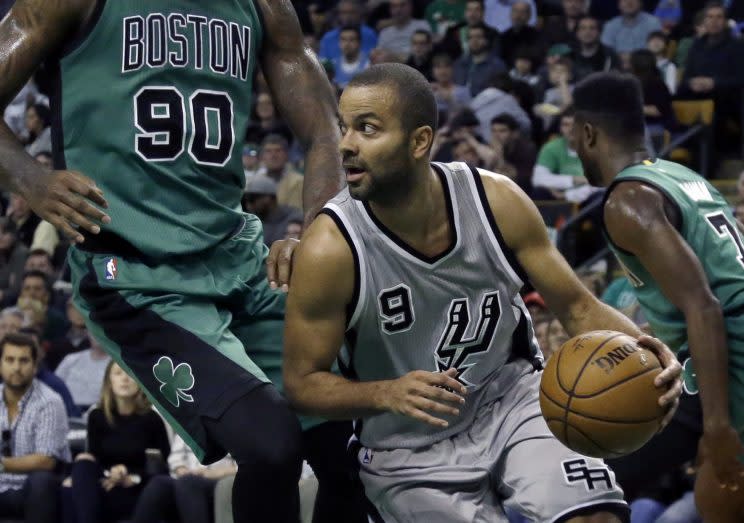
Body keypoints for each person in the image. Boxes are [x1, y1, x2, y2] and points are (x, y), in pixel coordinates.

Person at [282, 63, 683, 523]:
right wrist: (385, 393)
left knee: (596, 517)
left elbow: (576, 306)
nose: (347, 145)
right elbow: (301, 383)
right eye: (344, 127)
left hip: (512, 401)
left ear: (419, 142)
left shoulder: (495, 201)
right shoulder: (331, 247)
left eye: (367, 129)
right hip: (406, 447)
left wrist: (646, 356)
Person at [0, 1, 343, 522]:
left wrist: (317, 236)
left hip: (240, 260)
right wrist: (29, 178)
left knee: (349, 448)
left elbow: (326, 131)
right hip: (136, 275)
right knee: (271, 445)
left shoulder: (263, 6)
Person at [572, 71, 744, 522]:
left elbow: (704, 305)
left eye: (572, 135)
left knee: (587, 495)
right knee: (718, 502)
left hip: (728, 354)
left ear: (587, 133)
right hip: (724, 339)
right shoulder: (682, 176)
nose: (573, 148)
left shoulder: (627, 200)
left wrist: (718, 425)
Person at [62, 360, 171, 523]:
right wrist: (111, 473)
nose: (124, 379)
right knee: (82, 465)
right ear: (109, 381)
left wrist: (131, 477)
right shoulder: (97, 416)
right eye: (118, 373)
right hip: (105, 483)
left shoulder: (152, 419)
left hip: (137, 487)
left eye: (129, 374)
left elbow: (161, 468)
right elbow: (95, 459)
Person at [0, 332, 69, 523]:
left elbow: (45, 460)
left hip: (30, 489)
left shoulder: (49, 401)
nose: (16, 367)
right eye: (9, 360)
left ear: (35, 365)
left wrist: (2, 465)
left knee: (42, 480)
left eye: (23, 360)